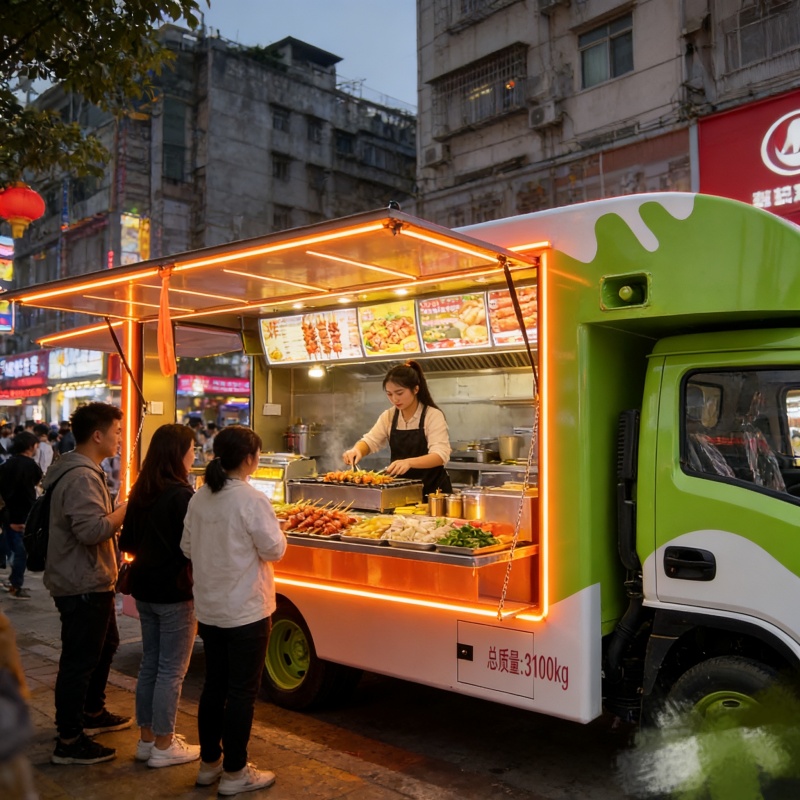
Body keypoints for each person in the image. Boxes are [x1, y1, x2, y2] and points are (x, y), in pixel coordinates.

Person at [181, 425, 286, 795]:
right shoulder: (251, 499)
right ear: (249, 459)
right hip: (246, 611)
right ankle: (236, 772)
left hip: (210, 610)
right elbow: (274, 550)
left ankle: (210, 765)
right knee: (242, 692)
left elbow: (187, 547)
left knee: (214, 686)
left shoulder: (200, 496)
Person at [43, 402, 130, 766]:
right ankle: (69, 739)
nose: (120, 438)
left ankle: (92, 712)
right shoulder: (81, 477)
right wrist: (128, 507)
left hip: (90, 578)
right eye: (117, 432)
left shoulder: (81, 468)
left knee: (106, 643)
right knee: (79, 659)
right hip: (81, 582)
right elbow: (91, 530)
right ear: (98, 435)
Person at [118, 424, 200, 768]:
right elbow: (193, 547)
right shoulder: (182, 496)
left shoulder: (141, 489)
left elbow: (128, 544)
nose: (194, 455)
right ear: (178, 453)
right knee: (171, 670)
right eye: (192, 448)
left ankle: (147, 739)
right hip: (174, 593)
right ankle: (165, 746)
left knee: (151, 663)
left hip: (145, 589)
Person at [342, 360, 452, 498]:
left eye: (399, 393)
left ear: (416, 389)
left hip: (434, 493)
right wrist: (357, 450)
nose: (395, 399)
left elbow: (440, 456)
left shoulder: (432, 415)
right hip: (401, 493)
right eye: (389, 394)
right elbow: (370, 441)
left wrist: (409, 462)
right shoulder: (389, 416)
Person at [0, 431, 42, 600]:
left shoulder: (5, 465)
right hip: (24, 515)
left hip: (7, 515)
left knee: (13, 549)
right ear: (31, 447)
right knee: (21, 552)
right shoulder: (31, 466)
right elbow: (37, 485)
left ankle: (13, 581)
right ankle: (16, 585)